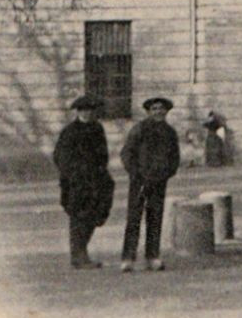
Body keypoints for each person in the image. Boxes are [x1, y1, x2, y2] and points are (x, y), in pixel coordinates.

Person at [52, 93, 115, 268]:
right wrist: (74, 175)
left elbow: (103, 155)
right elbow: (60, 156)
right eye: (83, 110)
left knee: (94, 215)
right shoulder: (70, 131)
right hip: (76, 182)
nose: (87, 114)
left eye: (90, 110)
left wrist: (100, 171)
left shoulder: (97, 129)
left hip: (96, 180)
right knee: (78, 217)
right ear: (78, 112)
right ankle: (78, 256)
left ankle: (82, 252)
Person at [119, 95, 181, 272]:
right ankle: (128, 258)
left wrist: (167, 172)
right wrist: (135, 174)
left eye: (162, 109)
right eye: (154, 109)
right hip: (139, 180)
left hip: (159, 181)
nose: (158, 112)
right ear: (148, 112)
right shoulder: (139, 129)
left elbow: (175, 157)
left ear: (166, 111)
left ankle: (152, 256)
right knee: (134, 218)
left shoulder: (169, 132)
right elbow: (126, 153)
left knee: (155, 218)